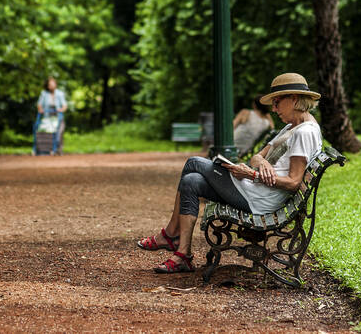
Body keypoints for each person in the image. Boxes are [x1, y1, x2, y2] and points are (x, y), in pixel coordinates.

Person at [136, 73, 322, 274]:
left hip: (259, 199)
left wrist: (254, 175)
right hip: (253, 189)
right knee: (191, 181)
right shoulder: (292, 127)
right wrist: (260, 164)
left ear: (294, 99)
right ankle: (183, 255)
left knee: (194, 163)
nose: (274, 109)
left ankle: (170, 234)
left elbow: (294, 182)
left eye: (277, 102)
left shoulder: (305, 132)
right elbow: (257, 157)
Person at [33, 77, 67, 155]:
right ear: (47, 86)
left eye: (53, 84)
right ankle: (43, 149)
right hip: (47, 116)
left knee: (58, 132)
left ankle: (58, 149)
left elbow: (65, 105)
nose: (52, 86)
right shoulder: (44, 93)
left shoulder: (60, 93)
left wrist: (61, 110)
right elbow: (39, 104)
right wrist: (40, 109)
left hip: (58, 116)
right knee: (42, 131)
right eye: (50, 85)